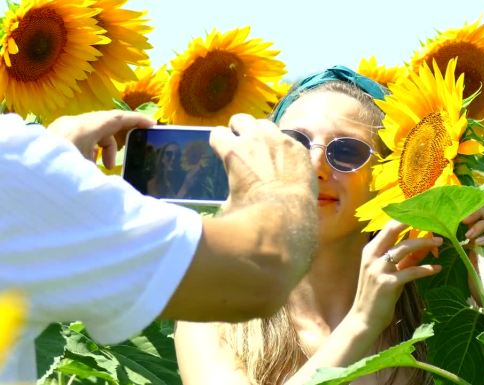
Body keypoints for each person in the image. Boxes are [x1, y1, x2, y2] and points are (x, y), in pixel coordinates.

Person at [174, 67, 484, 385]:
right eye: (294, 143)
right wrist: (361, 325)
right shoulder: (212, 315)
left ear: (386, 179)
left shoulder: (434, 325)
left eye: (348, 151)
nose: (315, 164)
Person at [0, 109, 319, 382]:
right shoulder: (13, 164)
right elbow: (258, 272)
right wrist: (282, 186)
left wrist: (45, 176)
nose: (317, 164)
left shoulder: (16, 168)